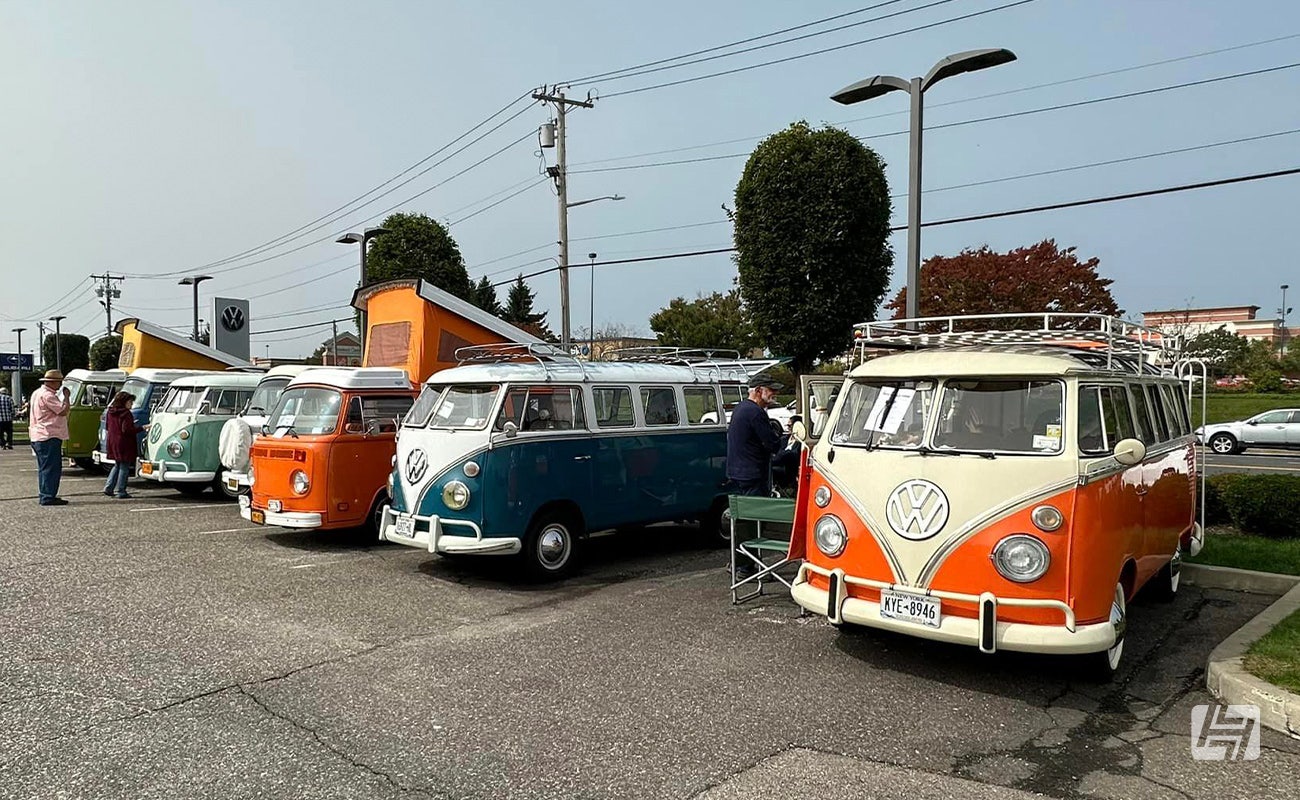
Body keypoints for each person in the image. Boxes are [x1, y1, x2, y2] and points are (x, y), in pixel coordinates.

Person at [29, 369, 72, 506]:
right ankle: (48, 496)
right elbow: (63, 411)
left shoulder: (37, 393)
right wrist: (66, 397)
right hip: (49, 435)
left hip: (38, 434)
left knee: (44, 467)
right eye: (59, 382)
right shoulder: (48, 396)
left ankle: (45, 493)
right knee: (52, 467)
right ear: (53, 382)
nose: (60, 385)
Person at [104, 391, 147, 499]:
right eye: (130, 402)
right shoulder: (126, 413)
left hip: (113, 441)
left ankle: (109, 487)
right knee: (124, 466)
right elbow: (127, 430)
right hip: (124, 442)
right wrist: (142, 427)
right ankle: (121, 490)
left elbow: (108, 427)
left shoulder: (110, 412)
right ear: (124, 402)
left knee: (117, 464)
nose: (131, 404)